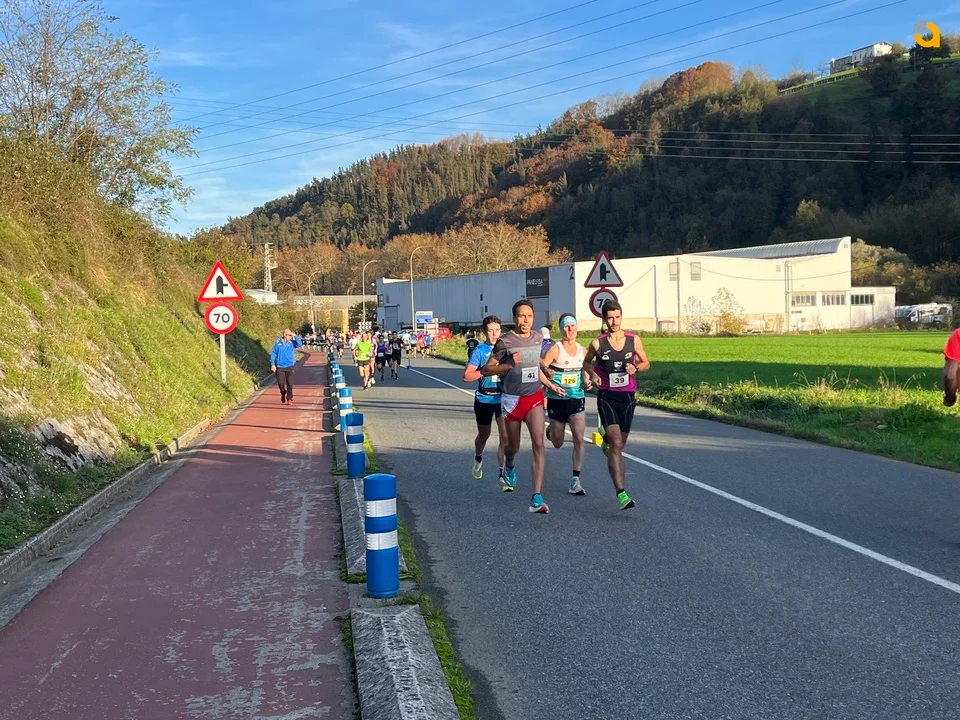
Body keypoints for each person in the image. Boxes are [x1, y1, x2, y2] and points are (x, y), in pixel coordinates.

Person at [484, 299, 553, 513]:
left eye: (529, 316)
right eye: (522, 316)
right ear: (514, 318)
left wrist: (546, 371)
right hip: (512, 400)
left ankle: (536, 496)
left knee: (538, 443)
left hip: (533, 397)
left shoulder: (538, 338)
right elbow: (487, 369)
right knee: (513, 447)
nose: (526, 320)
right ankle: (510, 465)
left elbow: (536, 362)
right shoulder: (505, 342)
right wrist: (508, 364)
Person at [582, 300, 649, 511]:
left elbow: (646, 362)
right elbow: (586, 362)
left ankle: (607, 442)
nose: (614, 322)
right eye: (610, 318)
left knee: (620, 444)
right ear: (604, 319)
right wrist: (592, 374)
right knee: (617, 443)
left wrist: (636, 368)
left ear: (621, 316)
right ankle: (621, 493)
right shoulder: (598, 343)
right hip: (607, 397)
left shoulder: (633, 340)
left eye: (617, 317)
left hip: (627, 398)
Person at [540, 314, 591, 495]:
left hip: (576, 398)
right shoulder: (556, 349)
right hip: (557, 400)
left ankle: (575, 479)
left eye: (572, 326)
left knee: (579, 438)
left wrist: (587, 380)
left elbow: (586, 369)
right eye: (566, 326)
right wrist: (549, 376)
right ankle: (552, 429)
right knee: (557, 443)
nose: (570, 329)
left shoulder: (582, 350)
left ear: (576, 328)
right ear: (562, 329)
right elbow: (541, 367)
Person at [463, 315, 507, 483]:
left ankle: (502, 474)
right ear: (484, 332)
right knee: (484, 435)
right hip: (484, 399)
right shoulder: (480, 351)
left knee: (505, 437)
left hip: (502, 398)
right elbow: (467, 376)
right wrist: (486, 371)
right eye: (490, 331)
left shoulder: (506, 349)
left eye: (497, 330)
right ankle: (478, 456)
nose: (494, 334)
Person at [270, 328, 303, 406]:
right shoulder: (277, 343)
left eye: (291, 335)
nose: (290, 337)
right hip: (280, 366)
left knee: (290, 384)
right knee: (280, 383)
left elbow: (300, 343)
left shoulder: (292, 343)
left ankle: (289, 398)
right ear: (285, 335)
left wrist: (294, 335)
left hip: (289, 366)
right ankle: (283, 392)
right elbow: (273, 353)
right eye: (289, 335)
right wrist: (272, 364)